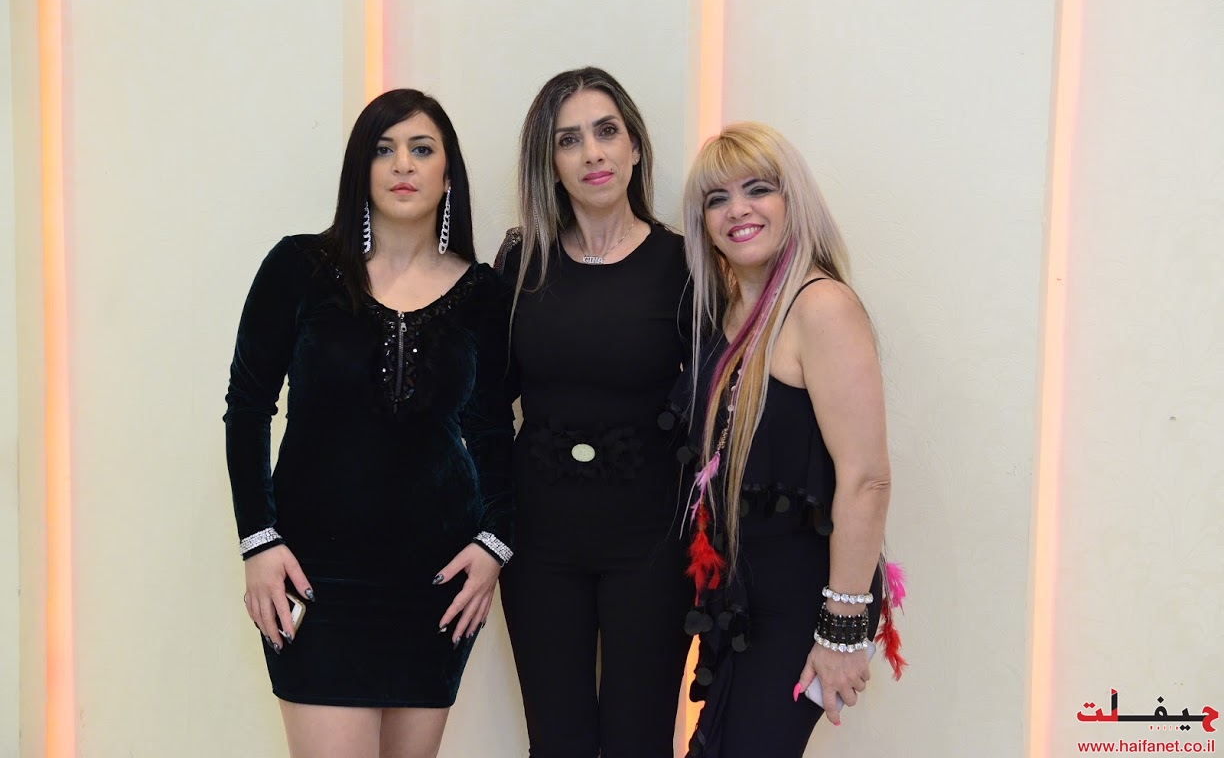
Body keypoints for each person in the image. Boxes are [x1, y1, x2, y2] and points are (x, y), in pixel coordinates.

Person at [224, 88, 514, 758]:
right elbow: (248, 407)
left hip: (436, 582)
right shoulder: (299, 268)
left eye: (421, 149)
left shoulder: (485, 294)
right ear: (361, 168)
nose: (402, 164)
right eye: (383, 150)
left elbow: (494, 431)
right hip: (315, 575)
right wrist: (258, 541)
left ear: (448, 173)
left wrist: (494, 543)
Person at [679, 122, 904, 757]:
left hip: (807, 600)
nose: (737, 209)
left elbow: (867, 479)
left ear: (793, 201)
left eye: (758, 189)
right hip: (740, 599)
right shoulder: (726, 314)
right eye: (717, 198)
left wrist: (842, 628)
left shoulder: (821, 307)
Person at [494, 66, 693, 758]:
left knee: (642, 742)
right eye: (569, 140)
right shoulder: (521, 263)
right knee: (557, 742)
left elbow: (714, 406)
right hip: (538, 545)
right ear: (550, 164)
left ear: (634, 146)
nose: (593, 153)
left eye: (606, 132)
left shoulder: (685, 263)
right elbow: (484, 406)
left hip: (652, 545)